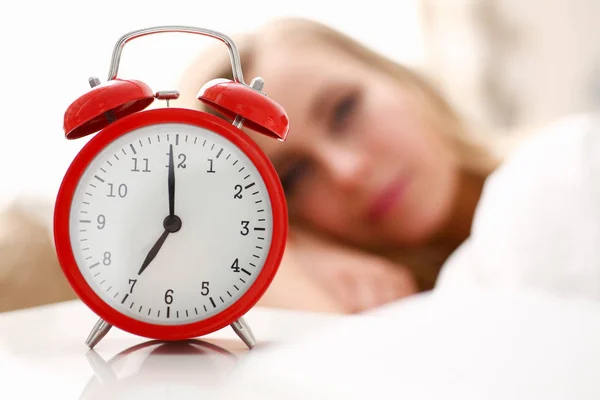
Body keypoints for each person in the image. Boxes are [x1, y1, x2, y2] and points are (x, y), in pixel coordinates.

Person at [176, 17, 507, 314]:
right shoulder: (372, 319)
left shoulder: (549, 168)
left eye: (343, 110)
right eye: (295, 177)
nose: (347, 171)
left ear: (396, 75)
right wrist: (286, 267)